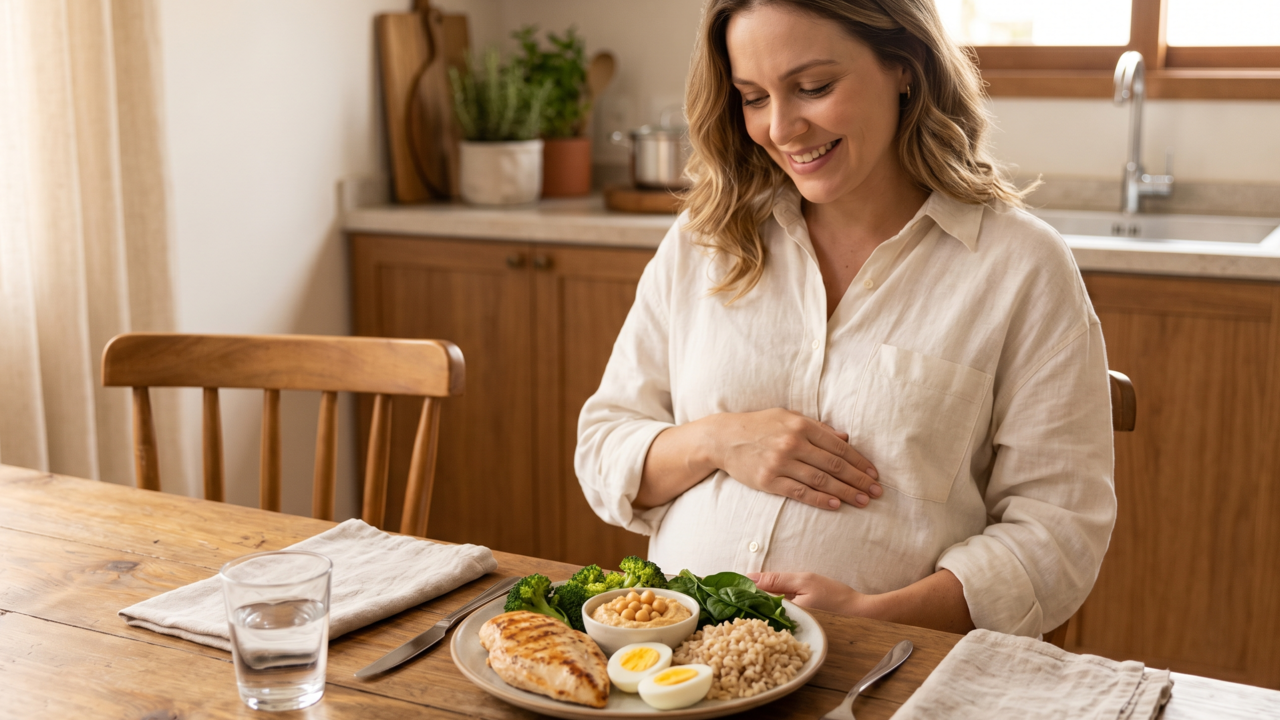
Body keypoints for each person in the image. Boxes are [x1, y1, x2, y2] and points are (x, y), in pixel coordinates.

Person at [575, 0, 1116, 638]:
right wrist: (718, 440)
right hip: (673, 661)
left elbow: (1057, 530)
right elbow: (604, 444)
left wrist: (873, 620)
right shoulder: (705, 238)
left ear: (904, 66)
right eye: (752, 97)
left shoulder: (1019, 266)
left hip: (892, 668)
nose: (781, 128)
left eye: (814, 87)